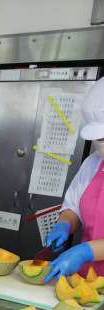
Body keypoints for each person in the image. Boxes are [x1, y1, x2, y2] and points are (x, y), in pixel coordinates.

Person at [45, 76, 104, 282]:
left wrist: (85, 252)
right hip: (86, 280)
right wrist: (65, 225)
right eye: (99, 139)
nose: (101, 143)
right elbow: (74, 208)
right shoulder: (93, 163)